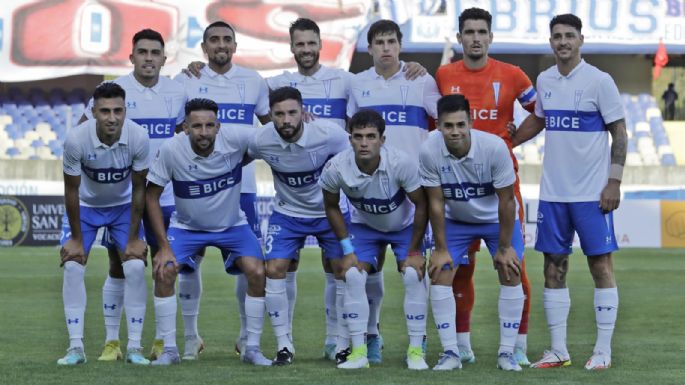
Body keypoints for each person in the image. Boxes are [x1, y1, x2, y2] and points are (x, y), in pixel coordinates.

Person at [512, 14, 627, 370]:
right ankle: (558, 350)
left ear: (581, 40)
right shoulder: (545, 80)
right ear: (550, 42)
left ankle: (603, 351)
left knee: (600, 266)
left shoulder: (599, 81)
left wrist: (614, 182)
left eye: (569, 36)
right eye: (557, 36)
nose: (563, 42)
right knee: (553, 268)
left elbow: (619, 133)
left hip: (593, 194)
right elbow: (541, 120)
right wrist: (509, 141)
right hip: (554, 194)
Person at [434, 7, 536, 365]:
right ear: (459, 37)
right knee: (459, 269)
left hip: (501, 187)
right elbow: (437, 122)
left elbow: (542, 110)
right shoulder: (444, 74)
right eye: (469, 32)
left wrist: (515, 141)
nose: (475, 38)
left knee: (513, 267)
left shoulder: (513, 74)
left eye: (481, 32)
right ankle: (461, 344)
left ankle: (517, 345)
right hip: (459, 189)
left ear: (490, 38)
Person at [81, 29, 189, 362]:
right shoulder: (113, 92)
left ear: (164, 58)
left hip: (166, 197)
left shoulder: (178, 91)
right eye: (142, 52)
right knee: (119, 265)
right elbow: (83, 134)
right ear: (131, 57)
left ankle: (161, 341)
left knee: (164, 267)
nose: (148, 58)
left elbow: (186, 138)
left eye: (155, 52)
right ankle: (113, 342)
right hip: (126, 199)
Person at [145, 98, 271, 366]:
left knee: (258, 271)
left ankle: (252, 348)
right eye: (197, 126)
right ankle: (169, 350)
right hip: (187, 228)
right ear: (185, 127)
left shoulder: (236, 139)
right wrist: (163, 245)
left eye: (209, 126)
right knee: (164, 270)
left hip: (232, 226)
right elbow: (151, 196)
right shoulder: (171, 149)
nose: (204, 132)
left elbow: (271, 136)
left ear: (219, 126)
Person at [346, 19, 441, 362]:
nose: (385, 48)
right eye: (379, 42)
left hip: (410, 197)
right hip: (368, 196)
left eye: (391, 41)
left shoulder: (422, 80)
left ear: (400, 45)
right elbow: (351, 131)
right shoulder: (357, 84)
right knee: (361, 272)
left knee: (415, 273)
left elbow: (444, 122)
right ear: (369, 48)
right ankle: (370, 338)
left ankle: (418, 345)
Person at [174, 21, 270, 357]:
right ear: (204, 47)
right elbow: (174, 128)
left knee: (248, 264)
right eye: (214, 40)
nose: (221, 45)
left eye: (227, 40)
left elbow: (272, 130)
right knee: (187, 264)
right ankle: (190, 337)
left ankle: (246, 336)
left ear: (235, 45)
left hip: (241, 187)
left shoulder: (254, 81)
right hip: (193, 185)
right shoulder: (187, 79)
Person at [420, 94, 526, 372]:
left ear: (471, 122)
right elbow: (435, 202)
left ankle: (506, 354)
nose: (454, 131)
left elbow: (507, 201)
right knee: (440, 273)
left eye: (460, 124)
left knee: (511, 271)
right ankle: (451, 353)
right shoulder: (428, 149)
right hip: (457, 220)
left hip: (496, 220)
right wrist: (441, 248)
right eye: (448, 126)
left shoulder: (494, 148)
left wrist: (504, 247)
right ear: (438, 126)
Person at [247, 86, 349, 365]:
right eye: (279, 114)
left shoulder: (329, 134)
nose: (286, 119)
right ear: (271, 116)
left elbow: (355, 159)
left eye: (292, 112)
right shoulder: (260, 140)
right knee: (274, 269)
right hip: (287, 212)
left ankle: (340, 344)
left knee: (342, 270)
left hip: (329, 212)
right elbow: (237, 155)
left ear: (303, 112)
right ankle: (284, 345)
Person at [320, 109, 429, 369]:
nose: (364, 142)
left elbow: (422, 204)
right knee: (352, 274)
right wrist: (347, 249)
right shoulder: (336, 167)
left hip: (403, 227)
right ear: (350, 139)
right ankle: (358, 353)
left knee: (414, 275)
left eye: (371, 136)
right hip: (364, 226)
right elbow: (331, 206)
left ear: (382, 139)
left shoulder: (401, 163)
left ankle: (416, 350)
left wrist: (414, 250)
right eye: (358, 137)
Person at [57, 82, 150, 365]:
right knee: (72, 264)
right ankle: (76, 348)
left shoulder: (139, 137)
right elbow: (71, 190)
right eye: (105, 111)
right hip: (86, 206)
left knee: (134, 265)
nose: (112, 117)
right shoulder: (76, 140)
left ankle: (134, 346)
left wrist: (134, 237)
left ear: (125, 111)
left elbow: (139, 189)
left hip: (122, 207)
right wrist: (75, 238)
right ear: (94, 112)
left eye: (118, 111)